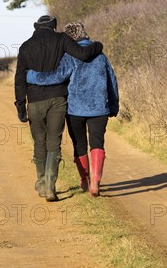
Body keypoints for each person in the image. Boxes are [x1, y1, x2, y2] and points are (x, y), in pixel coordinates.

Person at [15, 15, 103, 202]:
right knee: (54, 143)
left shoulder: (25, 46)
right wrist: (98, 45)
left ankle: (41, 182)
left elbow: (19, 79)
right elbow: (84, 55)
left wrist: (20, 105)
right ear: (53, 26)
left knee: (39, 142)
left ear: (36, 27)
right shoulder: (62, 39)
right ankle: (50, 187)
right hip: (57, 100)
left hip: (35, 101)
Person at [26, 22, 119, 197]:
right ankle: (96, 182)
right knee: (97, 142)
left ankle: (85, 181)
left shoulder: (69, 57)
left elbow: (56, 77)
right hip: (99, 108)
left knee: (80, 145)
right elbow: (112, 82)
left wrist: (32, 75)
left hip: (75, 109)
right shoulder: (101, 56)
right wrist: (113, 105)